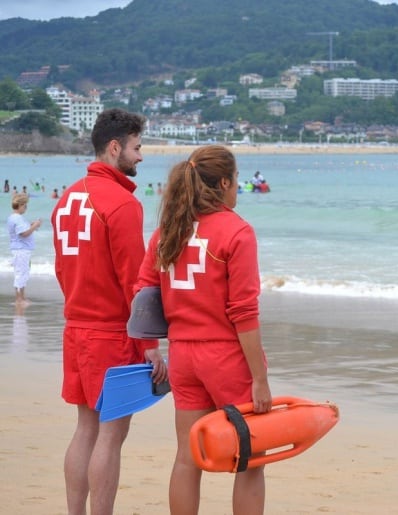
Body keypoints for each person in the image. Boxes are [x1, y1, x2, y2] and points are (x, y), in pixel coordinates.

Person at [135, 145, 271, 514]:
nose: (237, 188)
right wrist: (259, 377)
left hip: (182, 356)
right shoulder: (237, 231)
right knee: (251, 457)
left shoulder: (168, 230)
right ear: (225, 182)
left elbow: (143, 294)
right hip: (225, 356)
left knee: (187, 455)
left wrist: (151, 345)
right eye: (236, 180)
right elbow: (243, 311)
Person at [50, 108, 167, 515]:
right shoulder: (121, 204)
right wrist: (150, 343)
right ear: (114, 147)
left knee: (85, 428)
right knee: (111, 435)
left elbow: (62, 269)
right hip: (110, 335)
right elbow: (135, 282)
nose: (141, 156)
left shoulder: (66, 199)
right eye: (137, 148)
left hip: (75, 327)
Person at [7, 193, 42, 305]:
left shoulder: (14, 218)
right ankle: (19, 298)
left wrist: (31, 225)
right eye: (25, 205)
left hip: (21, 249)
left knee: (23, 272)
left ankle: (21, 297)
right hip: (21, 250)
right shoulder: (17, 218)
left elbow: (22, 231)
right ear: (21, 205)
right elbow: (23, 234)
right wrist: (34, 226)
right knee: (21, 273)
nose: (26, 208)